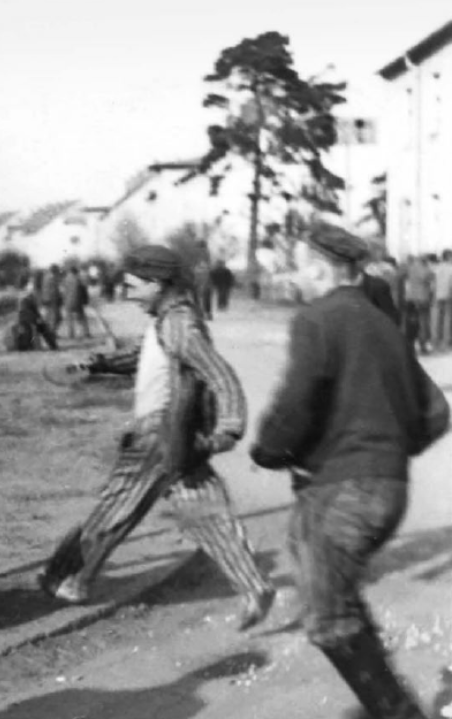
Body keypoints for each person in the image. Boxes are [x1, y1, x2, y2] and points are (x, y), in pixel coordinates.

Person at [38, 245, 274, 631]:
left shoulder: (179, 324)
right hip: (179, 437)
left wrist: (229, 428)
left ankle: (69, 579)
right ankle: (254, 586)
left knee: (115, 508)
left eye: (133, 286)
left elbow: (220, 375)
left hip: (159, 434)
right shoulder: (169, 319)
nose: (128, 294)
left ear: (157, 283)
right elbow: (148, 355)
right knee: (206, 513)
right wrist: (99, 363)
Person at [250, 224, 432, 719]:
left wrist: (268, 449)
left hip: (338, 490)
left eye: (298, 266)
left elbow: (294, 404)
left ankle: (401, 714)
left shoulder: (318, 319)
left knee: (328, 618)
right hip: (389, 486)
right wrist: (390, 448)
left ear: (319, 268)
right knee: (339, 605)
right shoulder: (384, 325)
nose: (294, 278)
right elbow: (434, 411)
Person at [5, 275, 58, 351]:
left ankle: (52, 345)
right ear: (27, 286)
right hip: (29, 319)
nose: (32, 287)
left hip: (23, 318)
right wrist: (39, 318)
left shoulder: (21, 295)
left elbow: (28, 310)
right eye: (31, 285)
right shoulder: (27, 297)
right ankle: (53, 346)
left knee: (41, 327)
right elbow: (32, 311)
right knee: (44, 328)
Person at [403, 254, 435, 354]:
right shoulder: (424, 268)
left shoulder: (411, 267)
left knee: (412, 322)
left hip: (410, 298)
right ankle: (422, 345)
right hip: (422, 298)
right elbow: (428, 278)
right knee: (423, 322)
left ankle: (411, 344)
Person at [61, 265, 91, 339]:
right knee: (82, 318)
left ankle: (71, 334)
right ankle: (86, 333)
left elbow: (63, 291)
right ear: (76, 272)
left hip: (68, 302)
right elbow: (84, 291)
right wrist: (86, 301)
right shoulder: (79, 279)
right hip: (77, 301)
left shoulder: (65, 279)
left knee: (69, 319)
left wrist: (63, 300)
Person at [433, 249, 452, 350]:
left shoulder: (437, 268)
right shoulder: (450, 268)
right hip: (449, 295)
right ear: (448, 257)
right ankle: (446, 341)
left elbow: (433, 283)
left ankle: (436, 341)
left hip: (437, 295)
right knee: (447, 319)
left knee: (437, 319)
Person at [192, 241, 213, 320]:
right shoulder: (207, 253)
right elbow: (208, 264)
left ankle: (199, 313)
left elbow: (194, 263)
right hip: (205, 275)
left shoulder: (196, 253)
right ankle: (208, 313)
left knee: (196, 295)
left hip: (198, 275)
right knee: (206, 295)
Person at [41, 264, 64, 336]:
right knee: (57, 318)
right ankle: (51, 333)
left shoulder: (46, 277)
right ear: (55, 271)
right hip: (52, 300)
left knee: (49, 317)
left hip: (47, 300)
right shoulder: (52, 278)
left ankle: (50, 332)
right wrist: (60, 298)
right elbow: (54, 291)